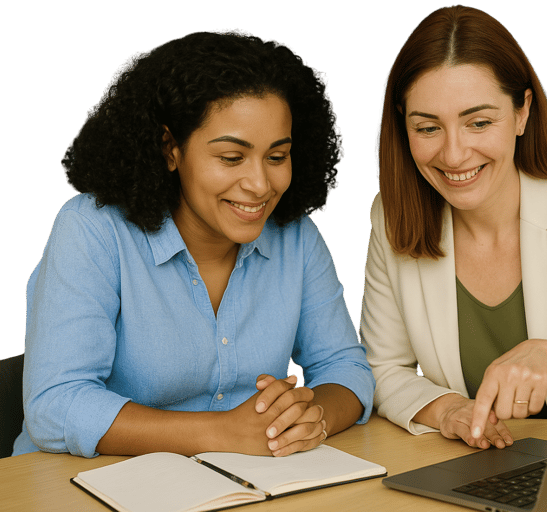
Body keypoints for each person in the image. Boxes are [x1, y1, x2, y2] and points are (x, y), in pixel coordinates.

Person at [15, 29, 374, 458]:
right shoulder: (92, 231)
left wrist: (309, 418)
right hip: (82, 486)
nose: (260, 184)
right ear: (170, 149)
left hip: (246, 483)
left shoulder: (296, 238)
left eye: (277, 157)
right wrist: (218, 433)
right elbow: (55, 405)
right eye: (231, 157)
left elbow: (346, 368)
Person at [360, 5, 547, 450]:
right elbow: (382, 369)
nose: (453, 155)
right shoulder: (391, 218)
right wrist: (448, 409)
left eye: (479, 123)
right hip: (474, 469)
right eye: (428, 128)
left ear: (523, 112)